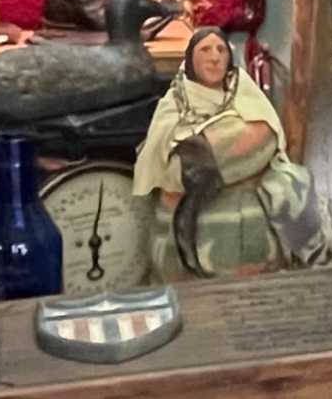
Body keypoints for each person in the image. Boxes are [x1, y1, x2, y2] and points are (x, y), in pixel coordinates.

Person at [134, 28, 315, 271]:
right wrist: (227, 151)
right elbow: (174, 167)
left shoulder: (246, 93)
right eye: (205, 50)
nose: (214, 57)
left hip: (250, 241)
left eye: (221, 49)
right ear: (191, 58)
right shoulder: (173, 104)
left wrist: (214, 151)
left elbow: (263, 137)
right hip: (183, 251)